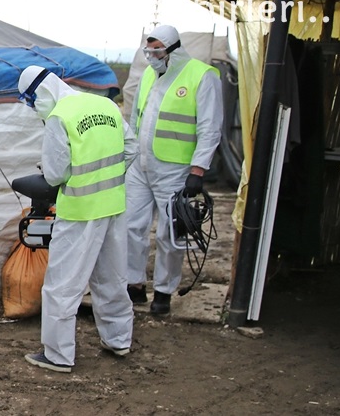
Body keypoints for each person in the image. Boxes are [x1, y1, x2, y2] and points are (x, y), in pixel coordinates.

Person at [16, 66, 137, 373]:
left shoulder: (60, 116)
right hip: (113, 206)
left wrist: (62, 174)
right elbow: (132, 147)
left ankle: (57, 354)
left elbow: (56, 174)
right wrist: (108, 178)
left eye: (31, 102)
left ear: (41, 92)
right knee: (111, 278)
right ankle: (119, 339)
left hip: (80, 211)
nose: (34, 109)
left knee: (62, 285)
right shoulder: (105, 104)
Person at [125, 25, 223, 315]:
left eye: (157, 50)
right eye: (148, 50)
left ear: (173, 49)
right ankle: (134, 284)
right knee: (131, 225)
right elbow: (135, 116)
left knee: (170, 233)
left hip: (175, 168)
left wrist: (198, 170)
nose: (151, 56)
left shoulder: (201, 76)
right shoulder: (147, 76)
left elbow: (209, 127)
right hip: (141, 165)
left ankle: (164, 291)